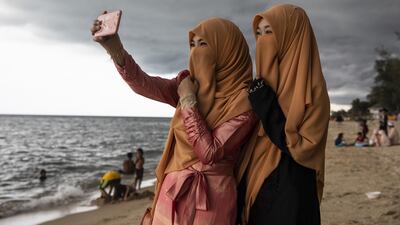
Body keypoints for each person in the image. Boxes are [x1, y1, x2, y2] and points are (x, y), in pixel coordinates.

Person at [91, 15, 258, 225]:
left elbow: (209, 152)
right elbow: (143, 83)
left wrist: (188, 100)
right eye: (192, 45)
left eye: (203, 44)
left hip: (212, 201)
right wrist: (114, 48)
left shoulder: (245, 101)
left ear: (226, 49)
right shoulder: (187, 83)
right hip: (171, 194)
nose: (196, 52)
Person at [237, 4, 330, 225]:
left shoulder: (313, 91)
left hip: (290, 193)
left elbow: (303, 147)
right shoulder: (258, 87)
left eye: (269, 32)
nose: (262, 40)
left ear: (292, 36)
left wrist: (265, 104)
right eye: (258, 33)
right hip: (255, 181)